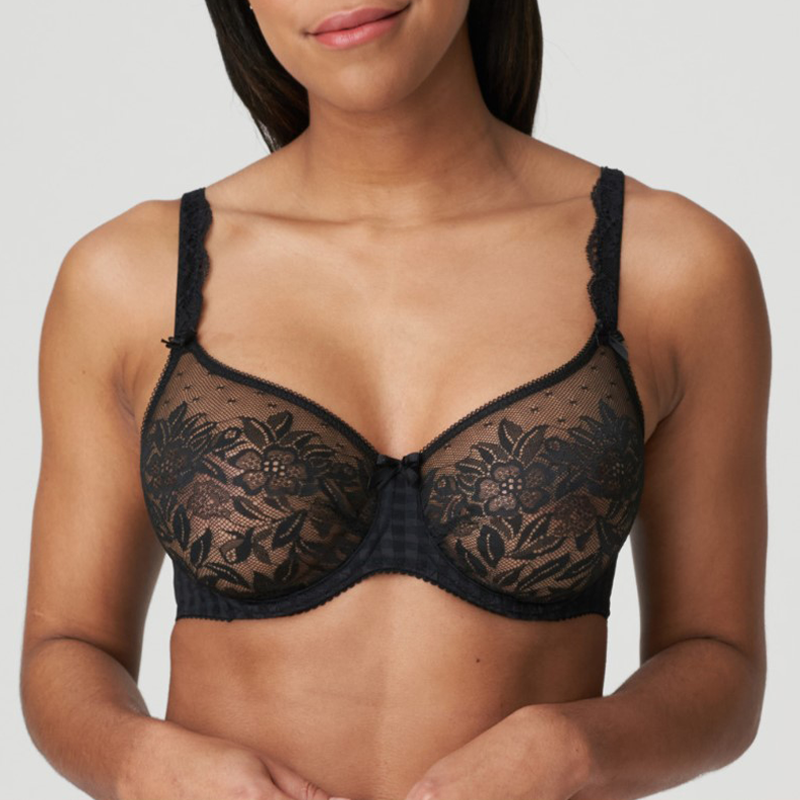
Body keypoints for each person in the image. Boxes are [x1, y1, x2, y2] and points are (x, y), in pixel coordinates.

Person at [20, 2, 770, 799]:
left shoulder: (673, 270)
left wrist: (574, 749)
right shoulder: (129, 279)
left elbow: (717, 658)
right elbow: (66, 645)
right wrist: (140, 763)